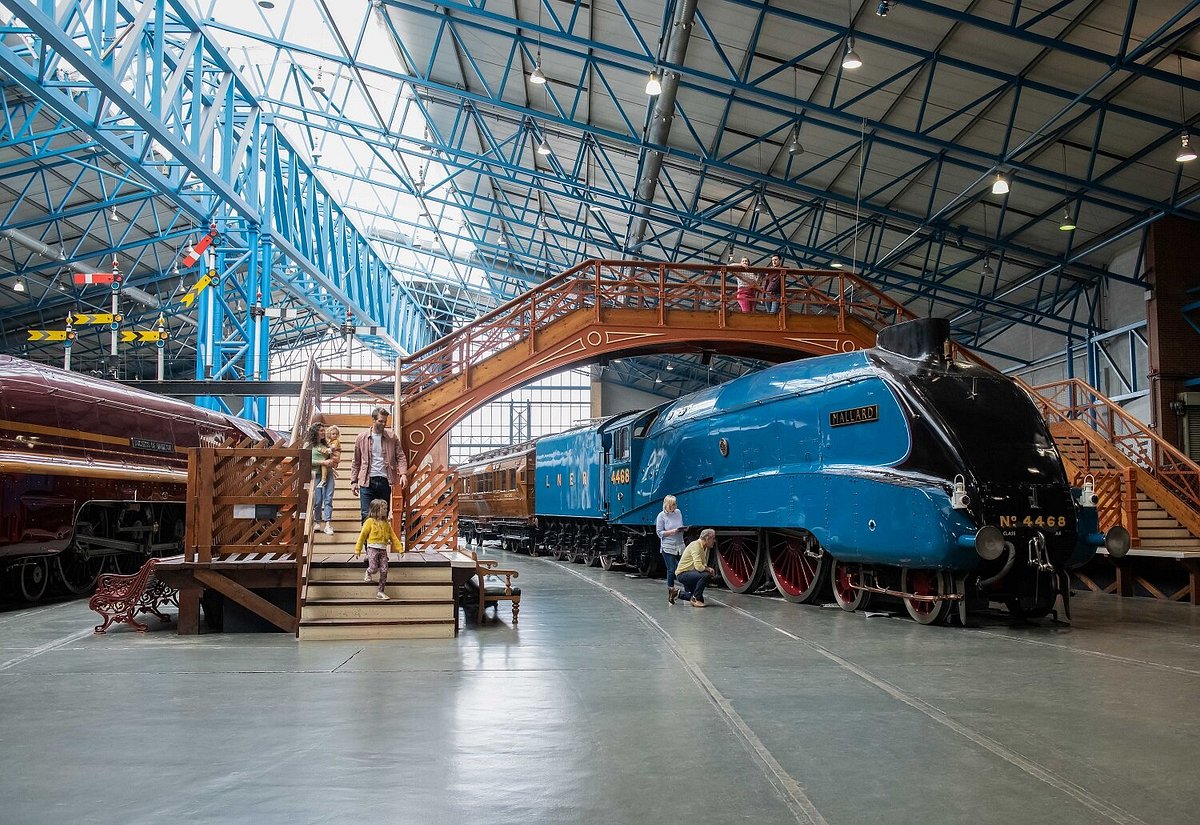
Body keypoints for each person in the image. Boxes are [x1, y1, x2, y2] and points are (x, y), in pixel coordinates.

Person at [350, 406, 408, 524]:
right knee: (366, 515)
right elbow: (356, 461)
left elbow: (400, 456)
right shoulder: (361, 438)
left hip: (384, 481)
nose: (383, 424)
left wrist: (403, 474)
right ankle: (367, 537)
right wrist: (353, 481)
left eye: (385, 421)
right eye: (380, 421)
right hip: (367, 481)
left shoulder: (392, 437)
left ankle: (381, 537)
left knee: (383, 515)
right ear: (373, 420)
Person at [354, 498, 405, 600]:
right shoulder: (369, 522)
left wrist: (400, 548)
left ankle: (380, 591)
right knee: (373, 568)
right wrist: (358, 549)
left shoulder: (386, 523)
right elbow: (362, 536)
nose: (386, 510)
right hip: (372, 548)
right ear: (376, 509)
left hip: (383, 550)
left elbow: (393, 536)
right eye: (384, 509)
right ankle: (368, 572)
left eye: (386, 508)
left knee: (384, 570)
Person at [306, 423, 335, 535]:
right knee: (317, 500)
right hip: (315, 475)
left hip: (328, 474)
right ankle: (317, 521)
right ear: (315, 432)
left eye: (324, 430)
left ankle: (328, 523)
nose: (323, 432)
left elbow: (333, 457)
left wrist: (332, 461)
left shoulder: (326, 445)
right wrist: (322, 462)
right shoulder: (308, 445)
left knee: (328, 498)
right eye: (321, 430)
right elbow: (306, 460)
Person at [676, 528, 717, 607]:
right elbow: (698, 567)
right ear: (707, 538)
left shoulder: (705, 548)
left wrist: (707, 569)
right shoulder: (695, 545)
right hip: (683, 574)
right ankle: (695, 599)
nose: (714, 541)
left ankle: (677, 593)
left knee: (701, 599)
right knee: (705, 575)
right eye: (713, 538)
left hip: (691, 573)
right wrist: (708, 569)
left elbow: (702, 565)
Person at [656, 495, 686, 604]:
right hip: (668, 546)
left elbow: (680, 525)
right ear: (668, 505)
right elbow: (659, 533)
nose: (675, 506)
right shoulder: (661, 516)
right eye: (673, 504)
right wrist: (672, 532)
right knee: (671, 569)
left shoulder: (678, 512)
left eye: (675, 504)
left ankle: (687, 590)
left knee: (684, 567)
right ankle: (671, 590)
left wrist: (683, 529)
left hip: (680, 544)